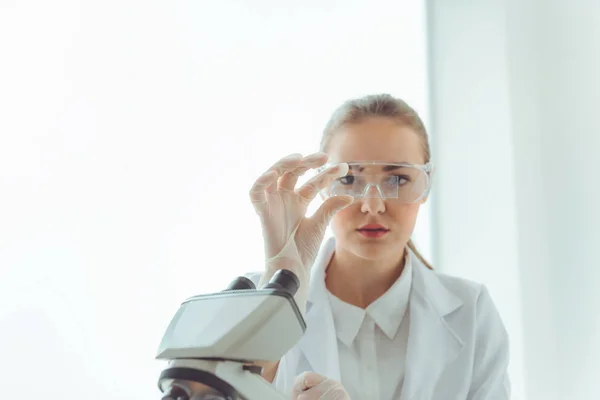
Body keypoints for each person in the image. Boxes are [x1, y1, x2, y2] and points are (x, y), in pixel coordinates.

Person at [246, 94, 510, 400]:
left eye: (397, 179)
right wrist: (278, 298)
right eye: (348, 180)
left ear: (426, 185)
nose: (372, 205)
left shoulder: (471, 312)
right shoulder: (255, 302)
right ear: (322, 185)